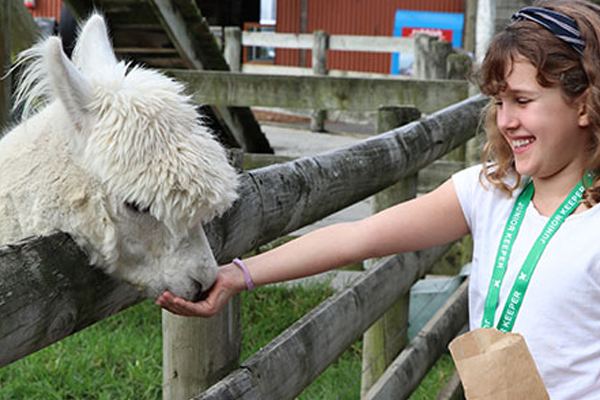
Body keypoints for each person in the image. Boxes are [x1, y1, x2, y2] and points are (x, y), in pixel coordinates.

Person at [158, 1, 600, 398]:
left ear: (585, 104)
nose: (506, 121)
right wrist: (237, 276)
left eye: (523, 100)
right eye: (499, 102)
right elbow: (360, 237)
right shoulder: (490, 192)